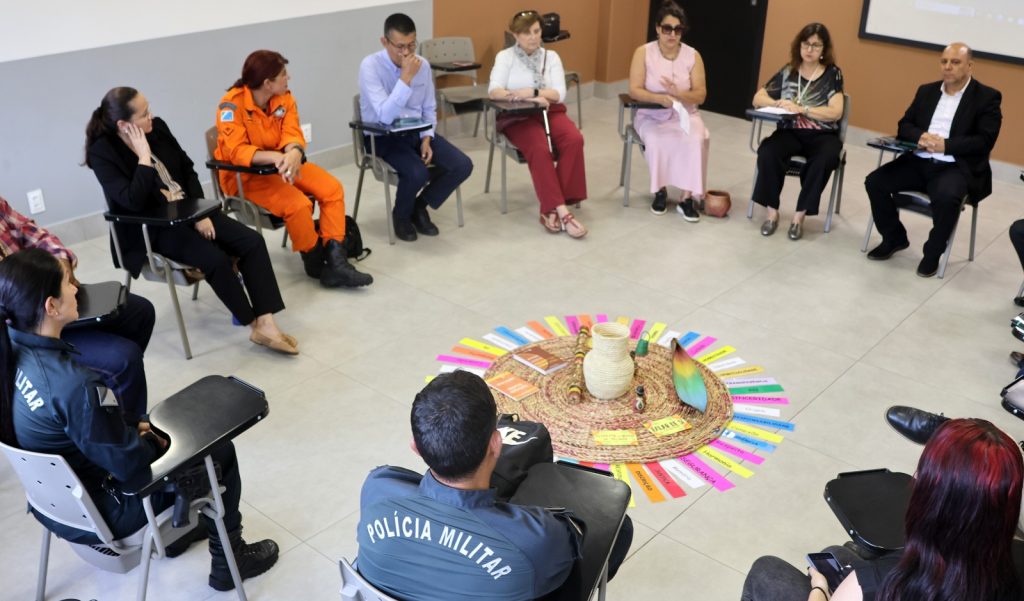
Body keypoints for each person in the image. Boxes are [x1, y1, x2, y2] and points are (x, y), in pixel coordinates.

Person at [0, 249, 279, 591]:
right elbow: (131, 466)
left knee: (151, 424)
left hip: (54, 502)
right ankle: (229, 560)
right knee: (217, 450)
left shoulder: (10, 354)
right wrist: (152, 439)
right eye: (67, 284)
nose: (76, 289)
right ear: (51, 307)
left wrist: (131, 425)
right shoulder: (74, 386)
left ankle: (179, 535)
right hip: (109, 510)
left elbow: (84, 428)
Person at [357, 371, 632, 600]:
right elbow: (569, 551)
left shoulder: (377, 489)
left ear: (415, 447)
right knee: (621, 527)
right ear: (496, 443)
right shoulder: (537, 539)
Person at [86, 87, 299, 355]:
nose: (151, 116)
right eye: (144, 114)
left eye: (149, 109)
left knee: (252, 241)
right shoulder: (102, 152)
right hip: (153, 226)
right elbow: (132, 201)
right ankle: (252, 323)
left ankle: (266, 322)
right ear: (123, 125)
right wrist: (143, 157)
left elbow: (187, 169)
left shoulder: (158, 127)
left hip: (189, 209)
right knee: (215, 259)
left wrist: (202, 213)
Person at [741, 418, 1023, 601]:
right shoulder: (1017, 555)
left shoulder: (883, 583)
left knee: (766, 570)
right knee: (836, 552)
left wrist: (820, 591)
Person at [216, 50, 373, 287]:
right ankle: (315, 262)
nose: (288, 78)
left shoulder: (284, 98)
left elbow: (292, 132)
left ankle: (337, 260)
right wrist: (278, 157)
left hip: (283, 164)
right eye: (283, 75)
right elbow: (237, 152)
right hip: (245, 177)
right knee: (299, 205)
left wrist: (294, 152)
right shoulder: (231, 105)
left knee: (332, 189)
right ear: (267, 83)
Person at [0, 194, 154, 422]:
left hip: (47, 299)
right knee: (123, 359)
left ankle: (108, 404)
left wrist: (60, 265)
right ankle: (122, 430)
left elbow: (35, 234)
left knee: (139, 312)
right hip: (22, 328)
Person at [864, 43, 1002, 278]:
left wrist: (946, 145)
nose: (948, 67)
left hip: (954, 165)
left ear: (970, 66)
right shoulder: (926, 91)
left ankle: (932, 253)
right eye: (944, 61)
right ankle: (894, 238)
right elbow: (904, 125)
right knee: (874, 182)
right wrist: (920, 136)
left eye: (955, 62)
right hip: (918, 160)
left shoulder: (986, 97)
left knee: (948, 198)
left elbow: (984, 141)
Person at [358, 12, 474, 242]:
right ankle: (400, 216)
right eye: (400, 46)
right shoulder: (370, 66)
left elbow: (429, 108)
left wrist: (427, 138)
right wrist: (405, 78)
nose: (406, 52)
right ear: (385, 42)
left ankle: (419, 207)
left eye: (411, 45)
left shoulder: (424, 66)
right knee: (417, 173)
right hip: (382, 136)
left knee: (462, 165)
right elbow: (385, 116)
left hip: (416, 132)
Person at [489, 10, 588, 239]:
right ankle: (561, 211)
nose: (533, 37)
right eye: (526, 33)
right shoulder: (505, 57)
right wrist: (529, 97)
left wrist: (534, 91)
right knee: (540, 148)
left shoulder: (551, 57)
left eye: (536, 31)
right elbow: (494, 91)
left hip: (550, 110)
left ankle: (551, 206)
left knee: (574, 139)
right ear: (515, 34)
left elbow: (559, 93)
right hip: (518, 115)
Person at [751, 23, 845, 241]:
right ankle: (772, 213)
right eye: (806, 44)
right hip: (790, 132)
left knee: (825, 158)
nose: (809, 49)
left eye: (815, 45)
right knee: (768, 151)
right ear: (799, 45)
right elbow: (758, 98)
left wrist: (804, 109)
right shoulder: (788, 71)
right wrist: (779, 103)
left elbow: (836, 111)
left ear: (824, 49)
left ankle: (799, 217)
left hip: (822, 135)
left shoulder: (832, 74)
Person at [628, 1, 709, 221]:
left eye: (677, 29)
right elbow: (634, 90)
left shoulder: (694, 56)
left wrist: (679, 94)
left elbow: (700, 95)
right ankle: (660, 191)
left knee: (695, 139)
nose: (672, 34)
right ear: (657, 28)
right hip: (651, 115)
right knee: (656, 140)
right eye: (667, 29)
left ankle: (686, 198)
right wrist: (659, 99)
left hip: (686, 114)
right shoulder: (643, 53)